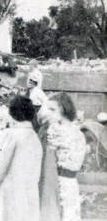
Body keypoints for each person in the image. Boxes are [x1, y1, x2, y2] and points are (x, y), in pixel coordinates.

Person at [0, 95, 43, 221]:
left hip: (9, 196)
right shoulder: (35, 138)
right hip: (29, 198)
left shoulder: (9, 135)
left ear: (12, 113)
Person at [38, 93, 86, 221]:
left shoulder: (59, 131)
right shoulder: (54, 129)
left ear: (64, 109)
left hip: (63, 181)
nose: (49, 113)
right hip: (56, 180)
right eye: (48, 109)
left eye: (52, 110)